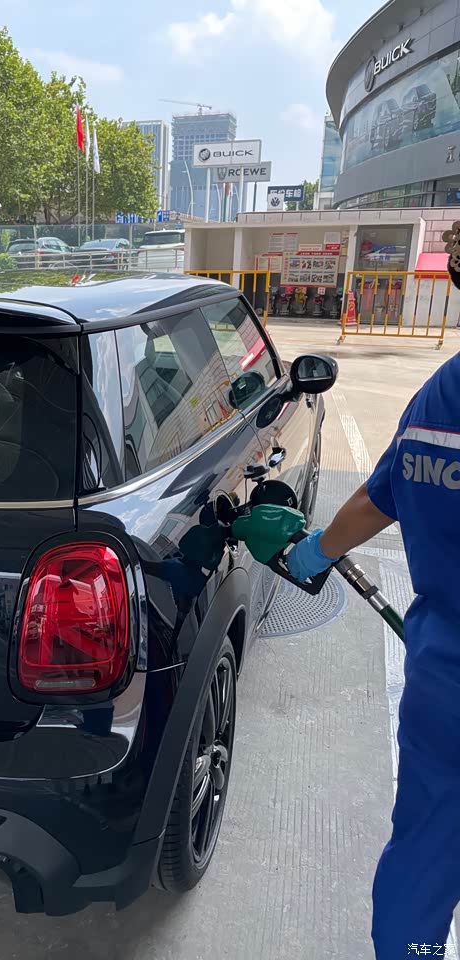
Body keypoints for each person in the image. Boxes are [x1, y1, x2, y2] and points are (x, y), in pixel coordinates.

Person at [286, 247, 460, 959]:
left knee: (425, 850)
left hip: (445, 678)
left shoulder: (443, 397)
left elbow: (377, 498)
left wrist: (316, 551)